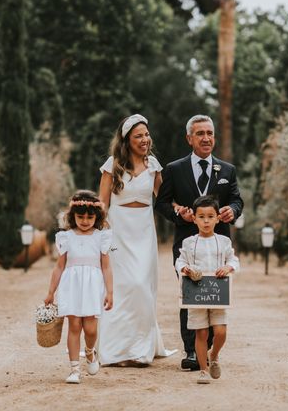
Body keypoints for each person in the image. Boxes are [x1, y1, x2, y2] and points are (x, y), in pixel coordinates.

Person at [155, 114, 243, 371]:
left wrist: (232, 211)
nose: (206, 138)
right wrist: (177, 213)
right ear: (189, 138)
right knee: (190, 295)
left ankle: (210, 349)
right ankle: (192, 351)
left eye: (210, 133)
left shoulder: (227, 170)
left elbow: (237, 199)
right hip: (187, 245)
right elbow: (160, 203)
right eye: (200, 133)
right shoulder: (174, 169)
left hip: (218, 246)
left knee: (214, 296)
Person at [98, 114, 175, 365]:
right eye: (138, 136)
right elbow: (102, 203)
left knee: (142, 286)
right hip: (118, 228)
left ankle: (140, 348)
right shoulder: (112, 165)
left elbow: (163, 199)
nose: (145, 139)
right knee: (122, 287)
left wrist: (184, 211)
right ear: (126, 140)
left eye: (146, 134)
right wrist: (102, 228)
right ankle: (117, 349)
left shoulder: (153, 165)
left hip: (143, 229)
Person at [44, 190, 114, 384]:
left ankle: (90, 352)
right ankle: (74, 369)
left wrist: (110, 291)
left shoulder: (101, 237)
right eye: (80, 217)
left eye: (90, 217)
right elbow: (59, 267)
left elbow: (106, 267)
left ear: (97, 216)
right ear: (72, 216)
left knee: (91, 329)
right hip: (71, 285)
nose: (85, 221)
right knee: (74, 326)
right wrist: (51, 292)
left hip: (92, 286)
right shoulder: (66, 237)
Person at [175, 195, 239, 384]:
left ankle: (214, 354)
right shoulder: (188, 243)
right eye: (201, 217)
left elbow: (233, 259)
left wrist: (228, 267)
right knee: (201, 333)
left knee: (220, 332)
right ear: (194, 218)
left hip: (218, 292)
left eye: (210, 216)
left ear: (218, 218)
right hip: (196, 293)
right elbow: (180, 261)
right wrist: (184, 269)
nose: (206, 221)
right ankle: (203, 370)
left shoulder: (224, 241)